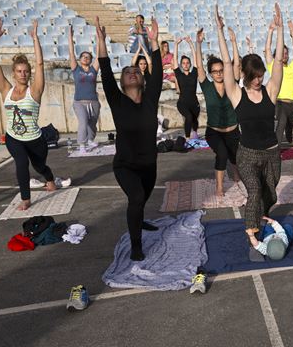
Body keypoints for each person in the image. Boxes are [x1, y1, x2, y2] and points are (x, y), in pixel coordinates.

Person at [216, 3, 284, 243]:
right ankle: (251, 233)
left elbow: (278, 62)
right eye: (254, 76)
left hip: (272, 152)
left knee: (271, 194)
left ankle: (259, 214)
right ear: (245, 75)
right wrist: (220, 31)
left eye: (261, 75)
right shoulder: (237, 93)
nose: (259, 79)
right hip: (247, 154)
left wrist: (280, 27)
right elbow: (226, 64)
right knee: (254, 190)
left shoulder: (271, 90)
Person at [96, 16, 162, 261]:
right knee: (135, 198)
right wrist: (101, 41)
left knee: (141, 200)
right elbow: (104, 69)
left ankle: (140, 221)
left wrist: (154, 41)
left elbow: (158, 71)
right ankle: (136, 245)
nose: (132, 73)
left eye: (136, 71)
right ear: (122, 83)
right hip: (125, 165)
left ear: (143, 79)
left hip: (149, 165)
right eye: (127, 72)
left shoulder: (151, 99)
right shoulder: (118, 100)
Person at [0, 18, 57, 211]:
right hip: (13, 137)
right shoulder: (6, 91)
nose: (22, 74)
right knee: (21, 163)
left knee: (40, 167)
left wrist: (35, 38)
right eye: (19, 71)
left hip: (35, 140)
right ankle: (26, 198)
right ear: (13, 73)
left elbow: (40, 63)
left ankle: (50, 178)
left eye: (26, 71)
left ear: (29, 74)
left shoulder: (34, 91)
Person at [196, 26, 242, 197]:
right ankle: (220, 187)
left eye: (221, 70)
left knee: (236, 157)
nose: (218, 74)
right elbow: (199, 66)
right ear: (210, 73)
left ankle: (236, 173)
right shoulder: (206, 86)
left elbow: (236, 64)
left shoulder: (232, 83)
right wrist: (198, 44)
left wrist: (234, 42)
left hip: (233, 131)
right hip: (214, 132)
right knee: (222, 154)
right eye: (214, 71)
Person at [265, 19, 293, 147]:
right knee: (280, 126)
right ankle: (276, 150)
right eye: (282, 53)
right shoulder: (273, 66)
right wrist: (270, 31)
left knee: (289, 127)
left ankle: (290, 140)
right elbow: (268, 50)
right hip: (280, 103)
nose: (284, 55)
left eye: (286, 53)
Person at [67, 24, 100, 155]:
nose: (86, 58)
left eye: (88, 57)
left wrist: (99, 37)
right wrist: (70, 37)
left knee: (92, 124)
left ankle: (91, 140)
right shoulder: (76, 69)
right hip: (79, 102)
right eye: (83, 56)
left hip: (94, 102)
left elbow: (99, 54)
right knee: (83, 122)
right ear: (80, 60)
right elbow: (71, 52)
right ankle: (82, 145)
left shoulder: (93, 70)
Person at [173, 37, 200, 139]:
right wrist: (176, 44)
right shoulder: (179, 74)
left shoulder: (194, 73)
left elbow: (195, 57)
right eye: (183, 63)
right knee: (188, 117)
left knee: (194, 120)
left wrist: (191, 44)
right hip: (182, 103)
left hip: (194, 103)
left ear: (190, 64)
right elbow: (175, 59)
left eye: (187, 63)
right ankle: (187, 137)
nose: (185, 64)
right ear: (181, 64)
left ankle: (195, 133)